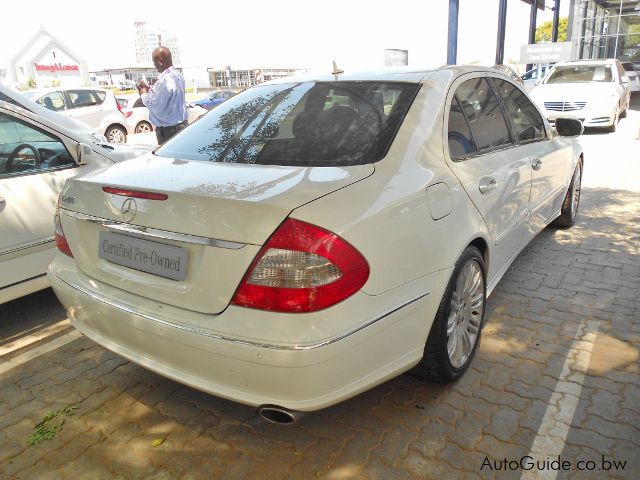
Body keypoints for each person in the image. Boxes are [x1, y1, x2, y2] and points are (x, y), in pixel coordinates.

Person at [137, 47, 188, 144]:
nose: (154, 65)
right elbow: (167, 97)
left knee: (168, 158)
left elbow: (155, 107)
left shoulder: (165, 80)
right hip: (181, 126)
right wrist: (149, 90)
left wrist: (143, 94)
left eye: (154, 61)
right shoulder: (178, 75)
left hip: (169, 131)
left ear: (160, 61)